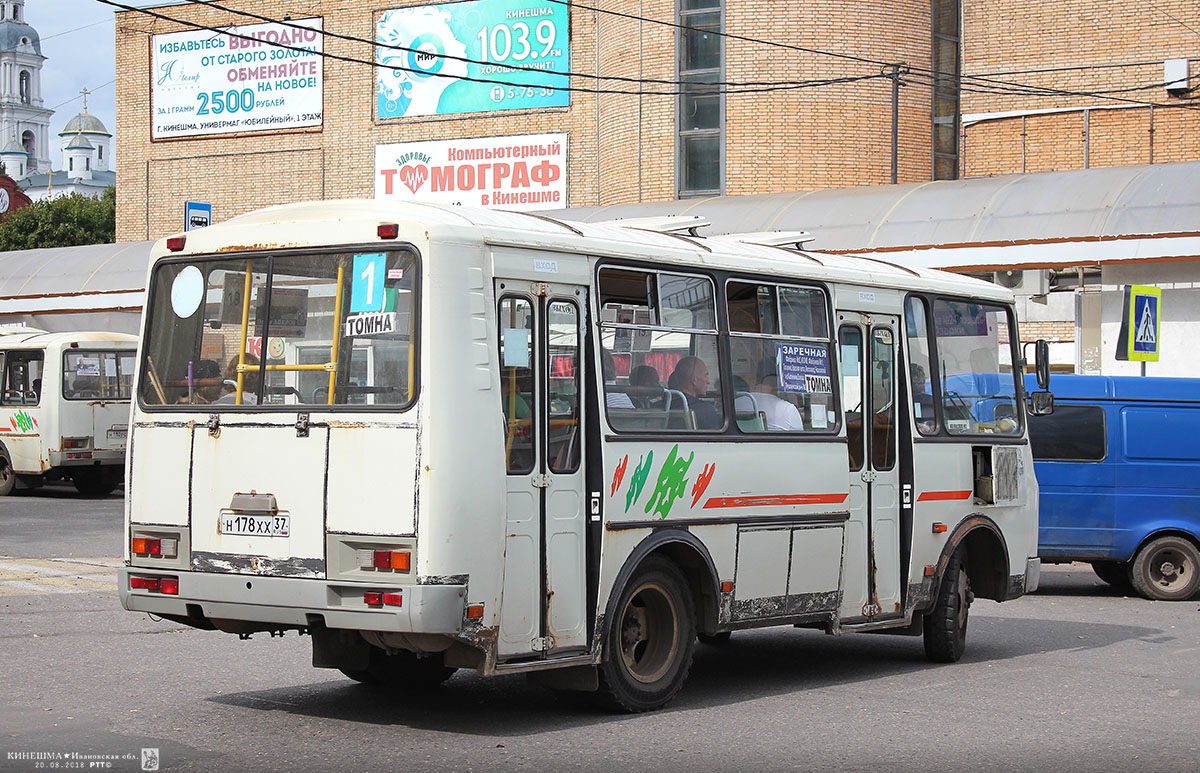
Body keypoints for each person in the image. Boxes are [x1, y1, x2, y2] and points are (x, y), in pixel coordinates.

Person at [736, 358, 804, 431]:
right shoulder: (788, 410)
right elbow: (802, 441)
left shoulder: (736, 403)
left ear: (757, 377)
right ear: (782, 379)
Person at [669, 356, 722, 429]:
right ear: (694, 380)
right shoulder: (705, 410)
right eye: (706, 375)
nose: (708, 382)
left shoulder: (661, 405)